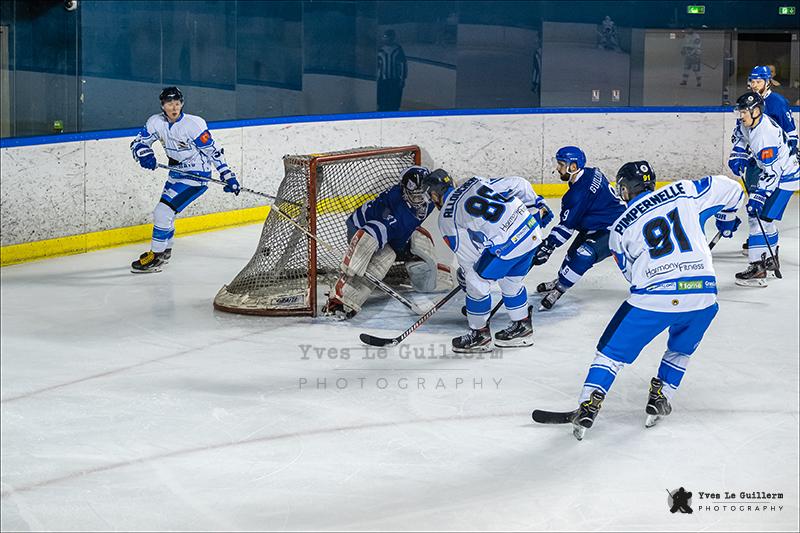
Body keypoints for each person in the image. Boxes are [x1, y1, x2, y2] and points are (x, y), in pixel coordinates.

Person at [561, 161, 743, 440]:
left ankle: (589, 404)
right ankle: (661, 396)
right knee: (681, 349)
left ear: (624, 189)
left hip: (655, 297)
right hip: (703, 295)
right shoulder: (685, 190)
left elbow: (632, 275)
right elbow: (732, 188)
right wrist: (726, 220)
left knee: (610, 354)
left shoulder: (619, 228)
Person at [421, 169, 553, 352]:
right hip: (531, 231)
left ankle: (479, 336)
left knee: (475, 282)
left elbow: (468, 255)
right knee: (511, 281)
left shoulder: (446, 216)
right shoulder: (475, 181)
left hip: (508, 245)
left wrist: (470, 275)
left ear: (435, 195)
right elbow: (519, 183)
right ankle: (522, 328)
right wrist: (534, 207)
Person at [129, 87, 240, 273]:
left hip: (196, 176)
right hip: (175, 174)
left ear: (182, 104)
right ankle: (165, 252)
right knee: (167, 214)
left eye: (177, 103)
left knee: (162, 212)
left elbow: (213, 151)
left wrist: (227, 174)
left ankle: (156, 256)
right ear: (162, 106)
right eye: (169, 104)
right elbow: (138, 143)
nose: (174, 107)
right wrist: (144, 154)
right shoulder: (155, 122)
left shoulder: (193, 124)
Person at [322, 166, 455, 319]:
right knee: (385, 258)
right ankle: (341, 299)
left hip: (396, 233)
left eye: (424, 194)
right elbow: (371, 231)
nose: (421, 201)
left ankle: (429, 279)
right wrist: (353, 261)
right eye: (416, 196)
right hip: (360, 231)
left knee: (421, 241)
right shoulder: (394, 212)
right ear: (405, 193)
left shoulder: (427, 196)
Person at [532, 146, 626, 310]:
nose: (558, 168)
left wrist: (549, 245)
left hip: (614, 228)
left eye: (561, 164)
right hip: (596, 224)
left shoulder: (576, 194)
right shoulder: (590, 172)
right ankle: (560, 280)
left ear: (573, 166)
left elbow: (566, 228)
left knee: (583, 255)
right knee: (572, 254)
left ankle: (560, 289)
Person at [728, 91, 799, 286]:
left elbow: (772, 173)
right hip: (776, 172)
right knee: (763, 219)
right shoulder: (749, 122)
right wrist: (739, 154)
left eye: (745, 112)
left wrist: (759, 196)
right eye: (740, 111)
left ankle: (758, 268)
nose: (742, 116)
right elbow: (740, 136)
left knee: (759, 218)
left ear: (757, 111)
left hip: (785, 178)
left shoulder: (765, 136)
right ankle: (769, 258)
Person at [739, 66, 798, 255]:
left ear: (767, 82)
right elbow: (742, 131)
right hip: (756, 161)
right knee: (754, 204)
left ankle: (763, 244)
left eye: (758, 81)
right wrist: (740, 153)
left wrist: (792, 152)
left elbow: (790, 131)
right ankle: (756, 238)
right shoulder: (748, 102)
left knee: (763, 205)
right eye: (752, 81)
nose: (754, 85)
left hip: (774, 161)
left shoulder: (778, 102)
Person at [376, 30, 407, 112]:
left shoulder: (398, 49)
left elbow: (403, 64)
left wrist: (402, 79)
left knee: (394, 103)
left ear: (392, 38)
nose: (386, 39)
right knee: (382, 102)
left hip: (395, 80)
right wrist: (377, 78)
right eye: (384, 37)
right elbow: (377, 65)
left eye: (387, 37)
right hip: (382, 80)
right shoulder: (380, 50)